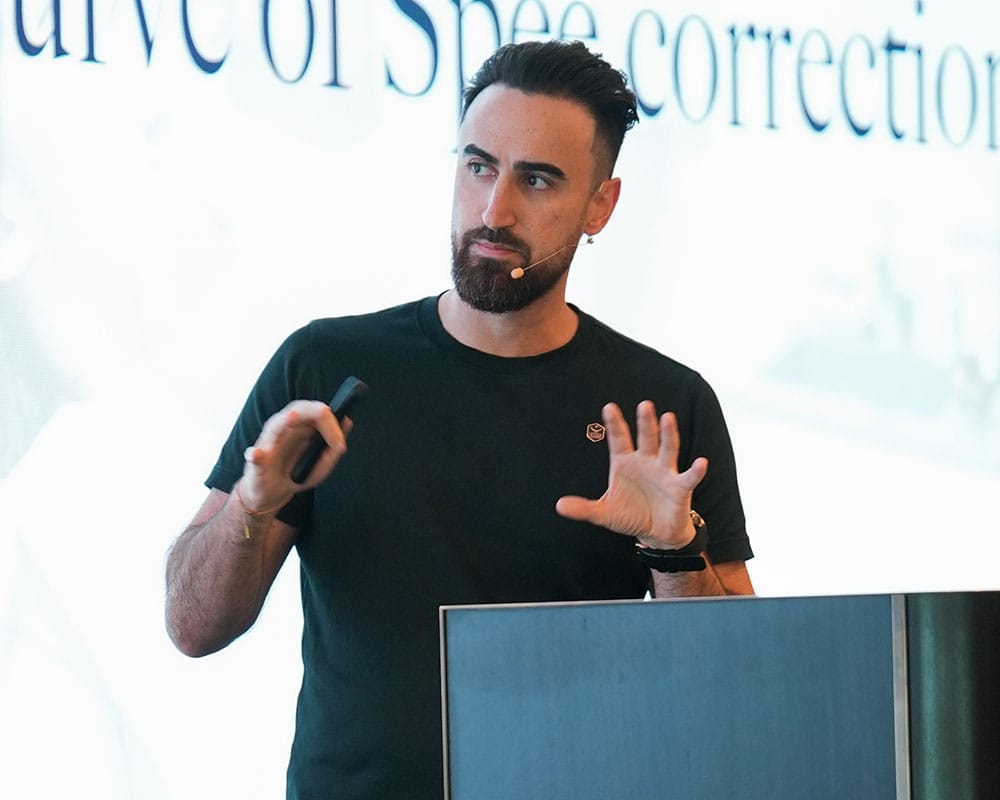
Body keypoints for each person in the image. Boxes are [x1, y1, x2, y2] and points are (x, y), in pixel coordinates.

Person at [165, 39, 754, 800]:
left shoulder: (660, 407)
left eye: (536, 180)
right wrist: (252, 503)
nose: (494, 211)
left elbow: (733, 687)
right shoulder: (325, 366)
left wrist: (674, 552)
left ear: (600, 206)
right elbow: (192, 626)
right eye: (478, 166)